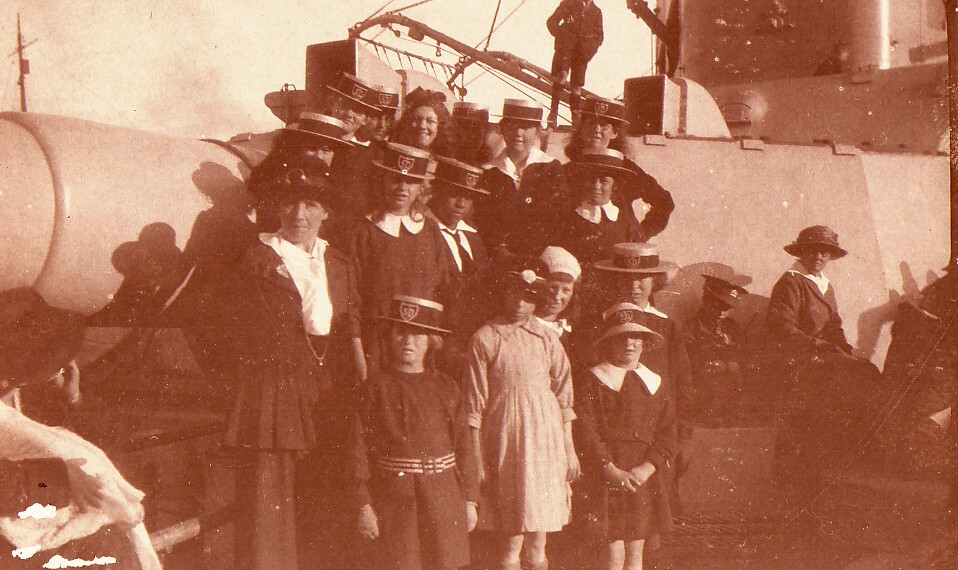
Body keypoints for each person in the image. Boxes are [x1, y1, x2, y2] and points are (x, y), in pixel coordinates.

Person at [224, 172, 365, 570]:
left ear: (326, 212)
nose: (299, 213)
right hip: (274, 384)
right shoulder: (256, 257)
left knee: (325, 484)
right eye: (290, 202)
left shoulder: (337, 261)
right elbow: (230, 327)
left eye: (311, 204)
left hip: (326, 385)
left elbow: (349, 322)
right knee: (271, 494)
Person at [0, 288, 161, 570]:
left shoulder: (36, 392)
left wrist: (74, 399)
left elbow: (108, 444)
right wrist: (60, 479)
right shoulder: (23, 382)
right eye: (51, 364)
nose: (58, 369)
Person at [465, 257, 580, 570]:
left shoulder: (547, 340)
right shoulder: (485, 338)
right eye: (514, 294)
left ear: (537, 302)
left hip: (546, 439)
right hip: (505, 435)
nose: (519, 304)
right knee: (512, 531)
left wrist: (569, 449)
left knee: (539, 532)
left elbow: (563, 397)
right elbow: (474, 405)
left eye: (528, 298)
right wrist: (475, 457)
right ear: (504, 294)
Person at [353, 295, 479, 569]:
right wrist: (363, 505)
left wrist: (470, 500)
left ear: (431, 341)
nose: (408, 341)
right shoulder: (375, 389)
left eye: (417, 333)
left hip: (444, 496)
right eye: (400, 333)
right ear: (389, 338)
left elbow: (465, 447)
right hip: (397, 500)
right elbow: (356, 451)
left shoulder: (447, 387)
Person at [764, 225, 881, 482]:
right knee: (849, 379)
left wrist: (846, 352)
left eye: (824, 252)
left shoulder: (826, 286)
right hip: (798, 359)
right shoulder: (791, 282)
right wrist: (820, 347)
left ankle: (842, 458)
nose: (818, 257)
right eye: (812, 251)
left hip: (824, 357)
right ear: (802, 252)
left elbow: (834, 327)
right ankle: (797, 470)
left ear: (830, 256)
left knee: (866, 371)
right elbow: (781, 327)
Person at [574, 302, 676, 570]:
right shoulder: (594, 380)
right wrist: (610, 470)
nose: (629, 344)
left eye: (635, 337)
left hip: (643, 475)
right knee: (612, 552)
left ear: (644, 341)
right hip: (608, 472)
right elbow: (586, 431)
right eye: (621, 337)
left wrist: (646, 468)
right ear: (609, 342)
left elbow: (667, 433)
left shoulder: (655, 382)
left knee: (636, 552)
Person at [351, 143, 454, 370]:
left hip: (418, 345)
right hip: (376, 343)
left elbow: (444, 288)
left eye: (411, 182)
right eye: (395, 179)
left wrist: (435, 334)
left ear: (421, 188)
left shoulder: (429, 231)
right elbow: (352, 298)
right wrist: (358, 351)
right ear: (382, 181)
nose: (402, 188)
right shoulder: (365, 231)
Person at [592, 244, 692, 473]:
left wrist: (684, 438)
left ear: (655, 281)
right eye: (625, 279)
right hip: (611, 445)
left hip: (657, 442)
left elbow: (682, 386)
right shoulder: (599, 324)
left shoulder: (666, 327)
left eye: (641, 279)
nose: (634, 287)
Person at [564, 97, 674, 245]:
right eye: (591, 123)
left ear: (615, 133)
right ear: (582, 129)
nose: (596, 130)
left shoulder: (626, 170)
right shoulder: (569, 170)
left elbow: (664, 201)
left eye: (604, 126)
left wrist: (641, 234)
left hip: (619, 248)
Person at [476, 99, 569, 258]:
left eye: (526, 127)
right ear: (503, 129)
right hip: (496, 258)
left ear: (538, 131)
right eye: (512, 126)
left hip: (539, 258)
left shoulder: (551, 169)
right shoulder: (488, 172)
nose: (518, 133)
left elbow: (560, 219)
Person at [247, 113, 354, 232]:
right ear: (298, 148)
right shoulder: (277, 178)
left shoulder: (341, 185)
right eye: (311, 148)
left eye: (326, 150)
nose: (319, 156)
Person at [677, 275, 749, 425]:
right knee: (718, 366)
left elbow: (745, 350)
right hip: (700, 372)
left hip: (729, 371)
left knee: (733, 367)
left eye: (726, 308)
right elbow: (684, 351)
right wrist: (709, 346)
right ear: (706, 302)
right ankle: (710, 413)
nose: (721, 312)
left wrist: (731, 345)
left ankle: (731, 412)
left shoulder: (732, 326)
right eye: (717, 306)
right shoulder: (694, 324)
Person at [546, 0, 604, 125]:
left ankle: (575, 120)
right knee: (562, 76)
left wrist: (589, 51)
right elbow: (551, 22)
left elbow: (599, 36)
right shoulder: (568, 4)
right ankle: (553, 113)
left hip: (582, 53)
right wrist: (563, 36)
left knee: (576, 86)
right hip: (565, 49)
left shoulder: (596, 11)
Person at [535, 246, 582, 360]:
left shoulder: (570, 331)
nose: (557, 296)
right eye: (553, 287)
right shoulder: (526, 327)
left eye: (566, 290)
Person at [392, 88, 455, 158]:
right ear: (408, 123)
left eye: (430, 121)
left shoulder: (444, 162)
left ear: (440, 126)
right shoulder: (394, 153)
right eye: (417, 119)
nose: (422, 126)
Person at [451, 102, 495, 166]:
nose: (471, 136)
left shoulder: (489, 168)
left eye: (477, 130)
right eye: (465, 128)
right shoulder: (437, 158)